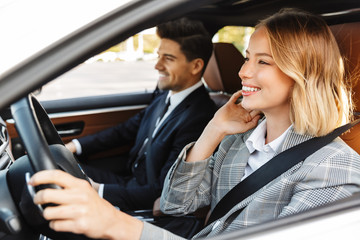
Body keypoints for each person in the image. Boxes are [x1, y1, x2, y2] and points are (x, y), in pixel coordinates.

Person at [29, 8, 360, 240]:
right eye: (247, 57)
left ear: (302, 74)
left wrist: (120, 226)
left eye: (263, 62)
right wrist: (213, 130)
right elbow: (176, 204)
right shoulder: (239, 138)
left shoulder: (335, 172)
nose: (243, 72)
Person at [64, 17, 217, 210]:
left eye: (168, 59)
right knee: (60, 166)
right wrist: (74, 146)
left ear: (195, 66)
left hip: (141, 198)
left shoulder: (200, 117)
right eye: (159, 56)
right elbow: (124, 131)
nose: (157, 65)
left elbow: (164, 189)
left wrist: (99, 191)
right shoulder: (165, 97)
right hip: (128, 180)